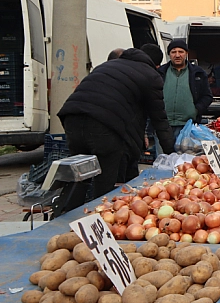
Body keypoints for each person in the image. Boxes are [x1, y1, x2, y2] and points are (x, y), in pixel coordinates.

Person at [56, 48, 175, 213]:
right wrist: (172, 152)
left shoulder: (107, 66)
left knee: (79, 174)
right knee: (104, 179)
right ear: (156, 65)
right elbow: (159, 119)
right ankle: (101, 218)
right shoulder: (151, 75)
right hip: (104, 124)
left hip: (72, 117)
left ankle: (66, 216)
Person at [157, 39, 213, 142]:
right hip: (163, 125)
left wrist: (195, 110)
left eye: (181, 52)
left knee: (185, 156)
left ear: (186, 53)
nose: (177, 55)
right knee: (163, 157)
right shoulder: (160, 73)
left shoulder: (198, 73)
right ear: (169, 54)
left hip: (187, 125)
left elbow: (207, 96)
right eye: (173, 52)